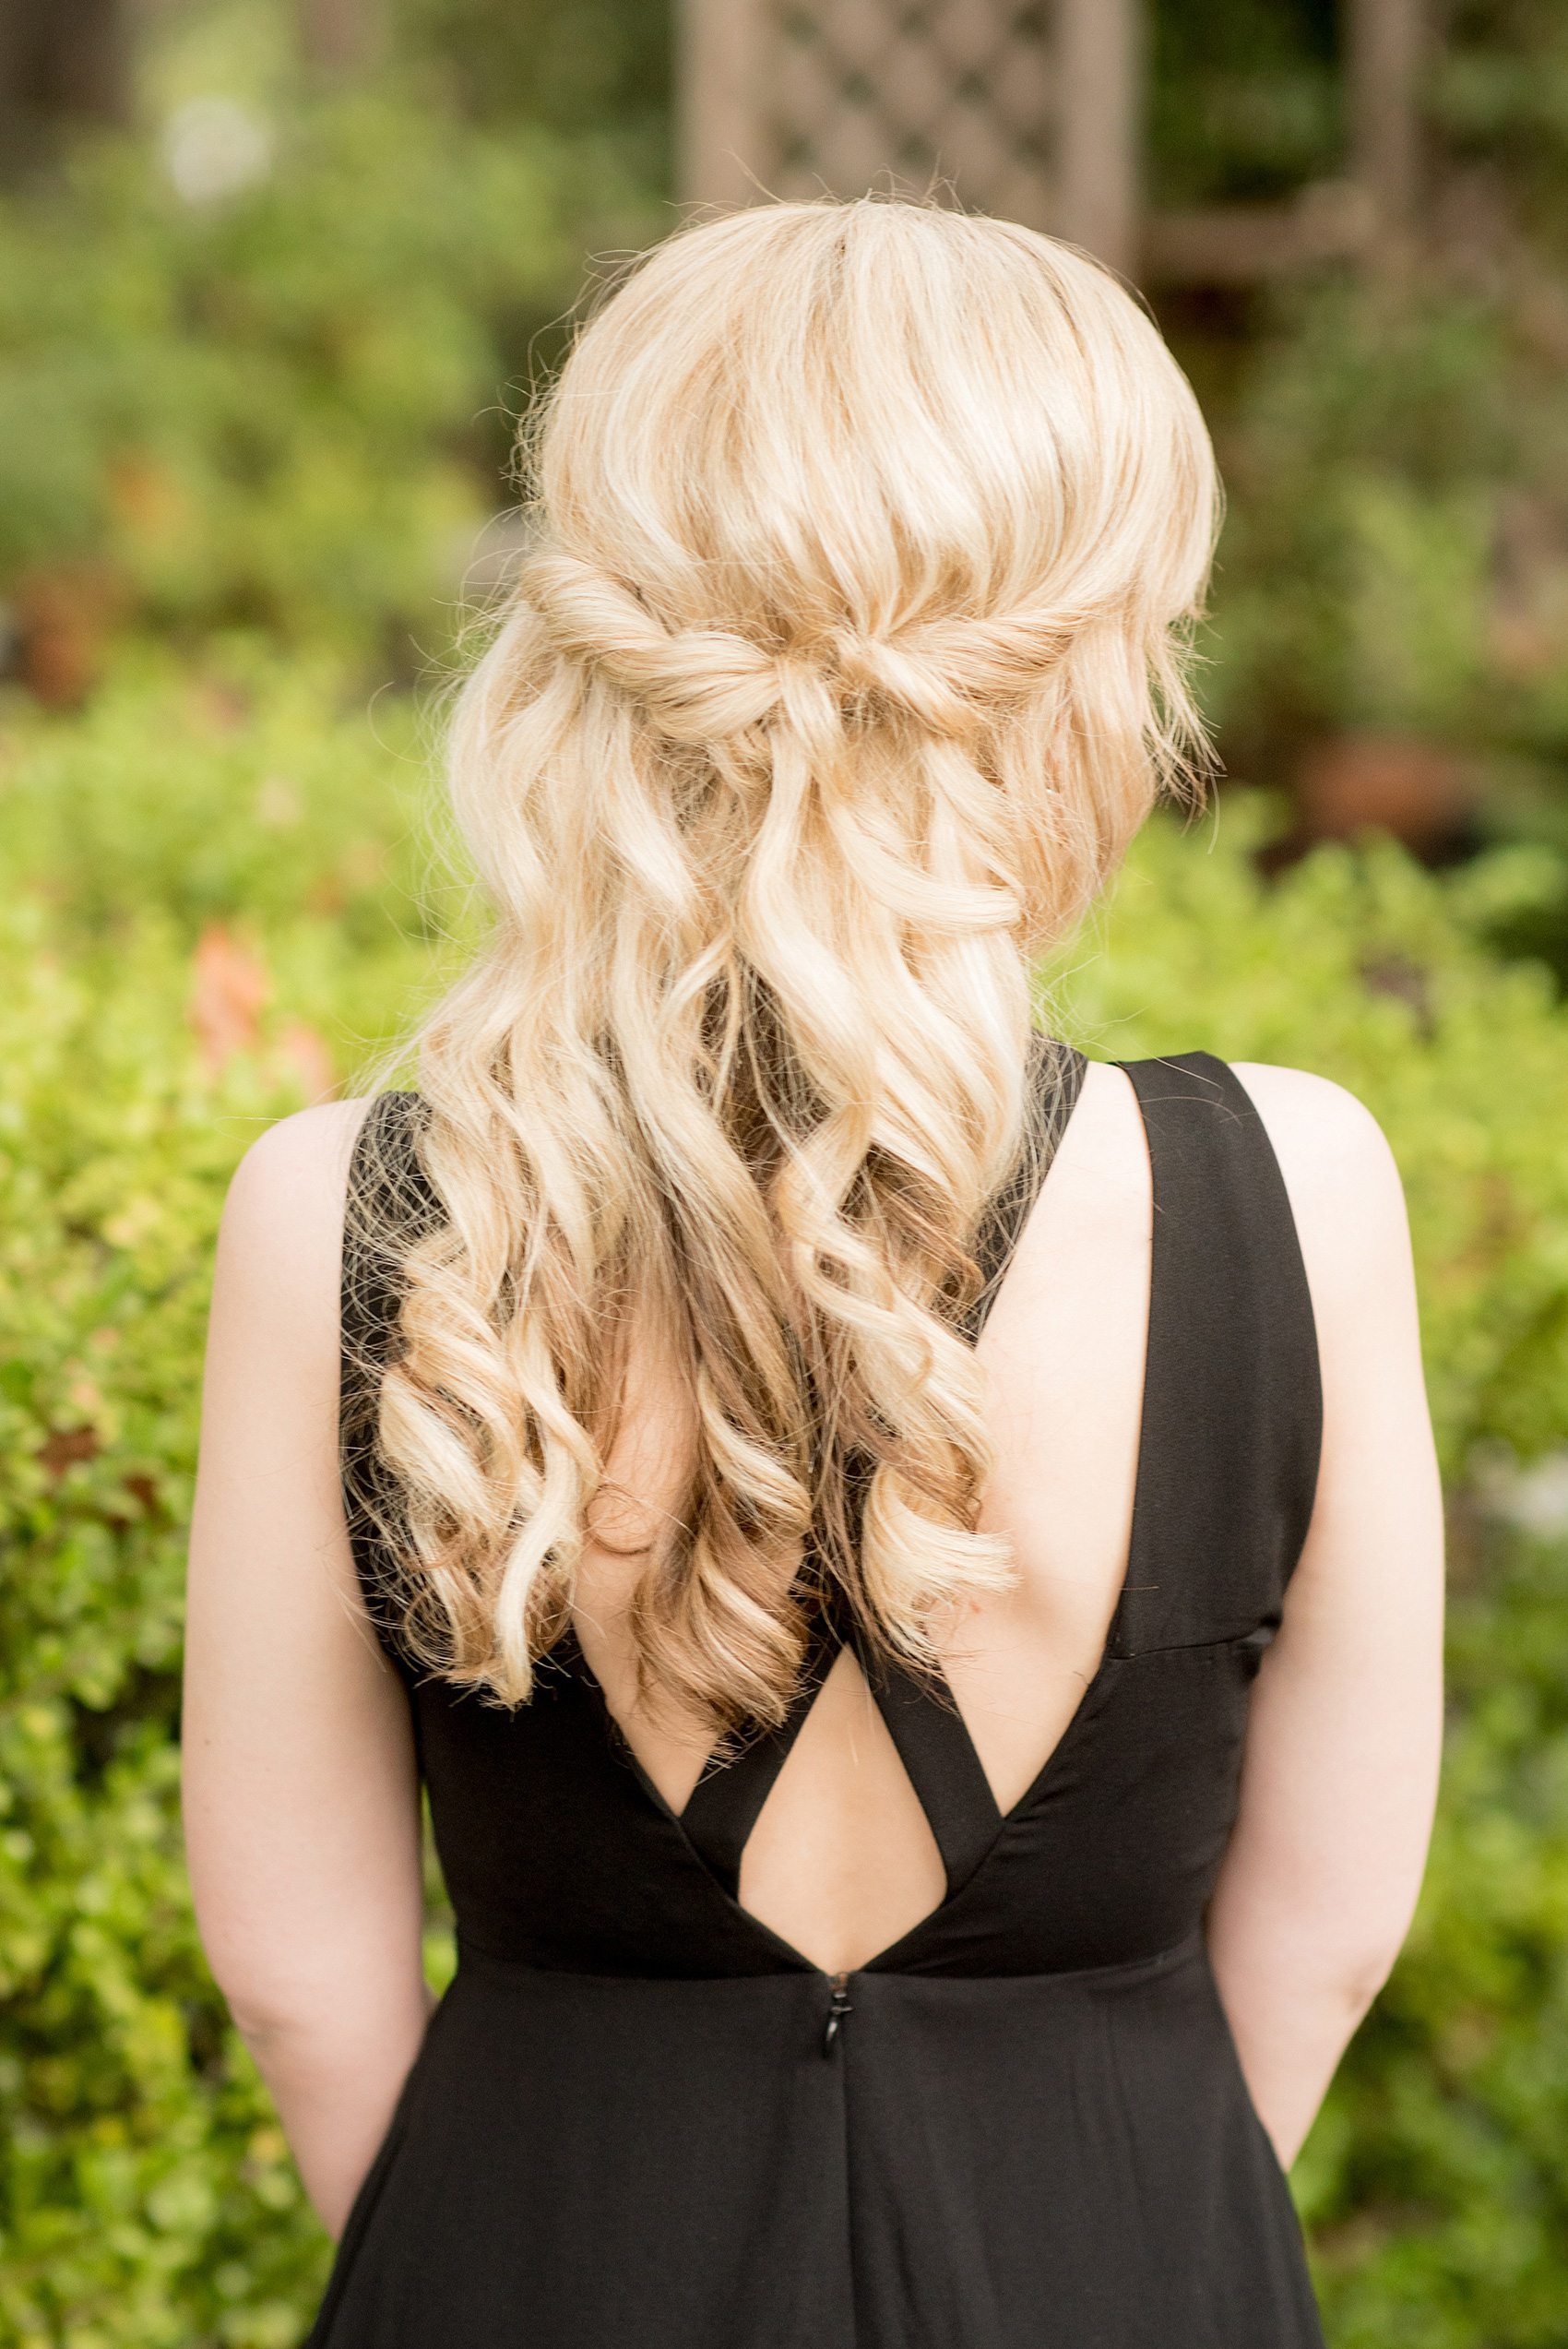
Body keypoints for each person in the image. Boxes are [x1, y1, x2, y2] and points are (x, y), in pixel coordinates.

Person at [182, 198, 1444, 2348]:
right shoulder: (1292, 1191)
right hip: (1122, 2255)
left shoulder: (344, 1213)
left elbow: (303, 1984)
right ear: (1090, 664)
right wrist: (1110, 2198)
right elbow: (1323, 1936)